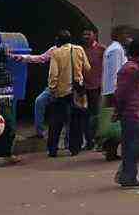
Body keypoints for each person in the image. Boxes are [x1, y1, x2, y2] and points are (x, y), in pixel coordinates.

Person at [42, 29, 89, 158]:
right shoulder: (79, 49)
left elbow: (53, 75)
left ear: (58, 40)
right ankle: (75, 148)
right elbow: (87, 67)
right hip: (77, 91)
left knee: (56, 121)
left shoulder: (56, 53)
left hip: (61, 92)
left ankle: (52, 149)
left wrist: (52, 89)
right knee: (76, 120)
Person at [113, 38, 139, 188]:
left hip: (135, 111)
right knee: (135, 145)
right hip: (130, 113)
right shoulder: (130, 69)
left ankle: (128, 175)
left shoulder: (135, 67)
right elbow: (121, 92)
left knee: (132, 145)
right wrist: (119, 110)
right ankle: (126, 175)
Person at [97, 25, 127, 160]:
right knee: (114, 123)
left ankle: (110, 150)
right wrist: (118, 91)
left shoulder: (112, 49)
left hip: (109, 90)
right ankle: (110, 150)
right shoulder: (116, 50)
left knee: (112, 122)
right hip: (114, 91)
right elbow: (116, 72)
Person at [79, 28, 104, 150]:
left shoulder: (101, 50)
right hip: (83, 88)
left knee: (95, 115)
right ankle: (88, 141)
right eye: (84, 34)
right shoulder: (80, 50)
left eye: (88, 34)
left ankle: (95, 139)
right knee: (84, 115)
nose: (86, 36)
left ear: (95, 35)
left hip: (96, 87)